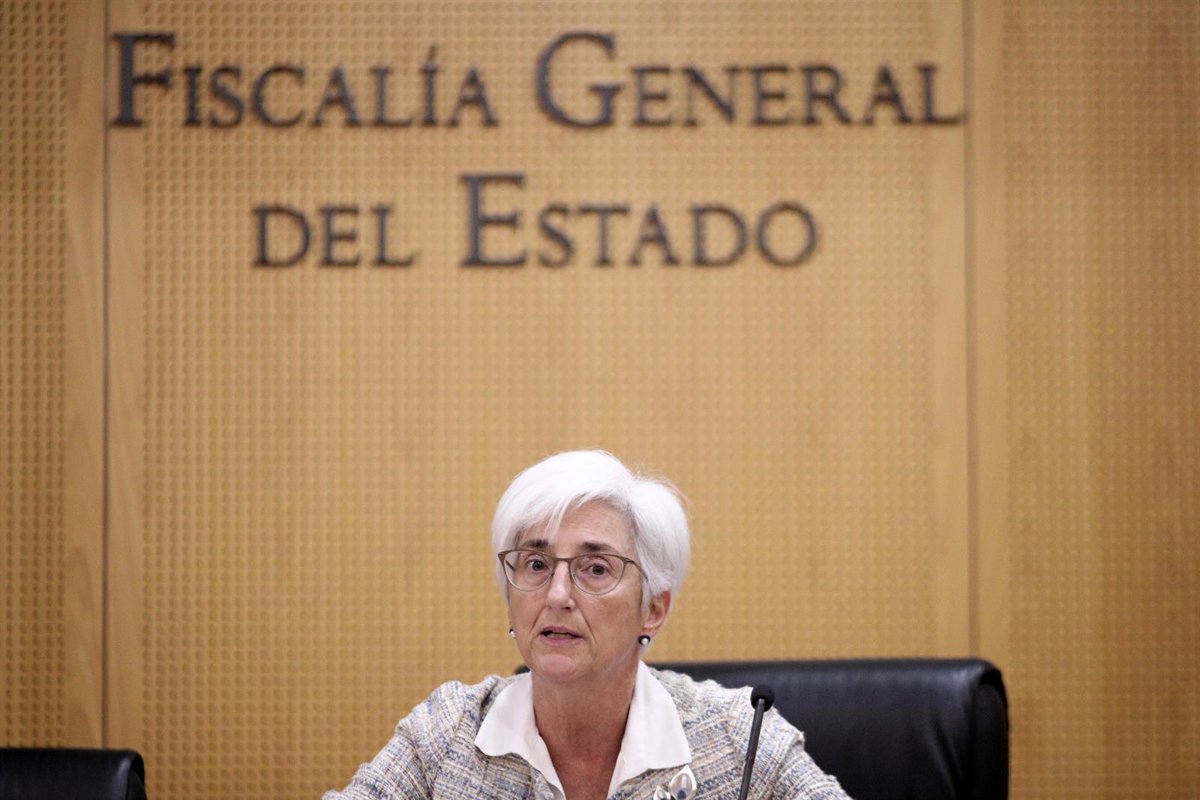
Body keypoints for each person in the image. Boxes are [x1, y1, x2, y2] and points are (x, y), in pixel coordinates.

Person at [324, 450, 850, 799]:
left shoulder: (738, 738)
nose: (557, 596)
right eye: (535, 564)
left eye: (595, 569)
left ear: (653, 608)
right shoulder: (448, 734)